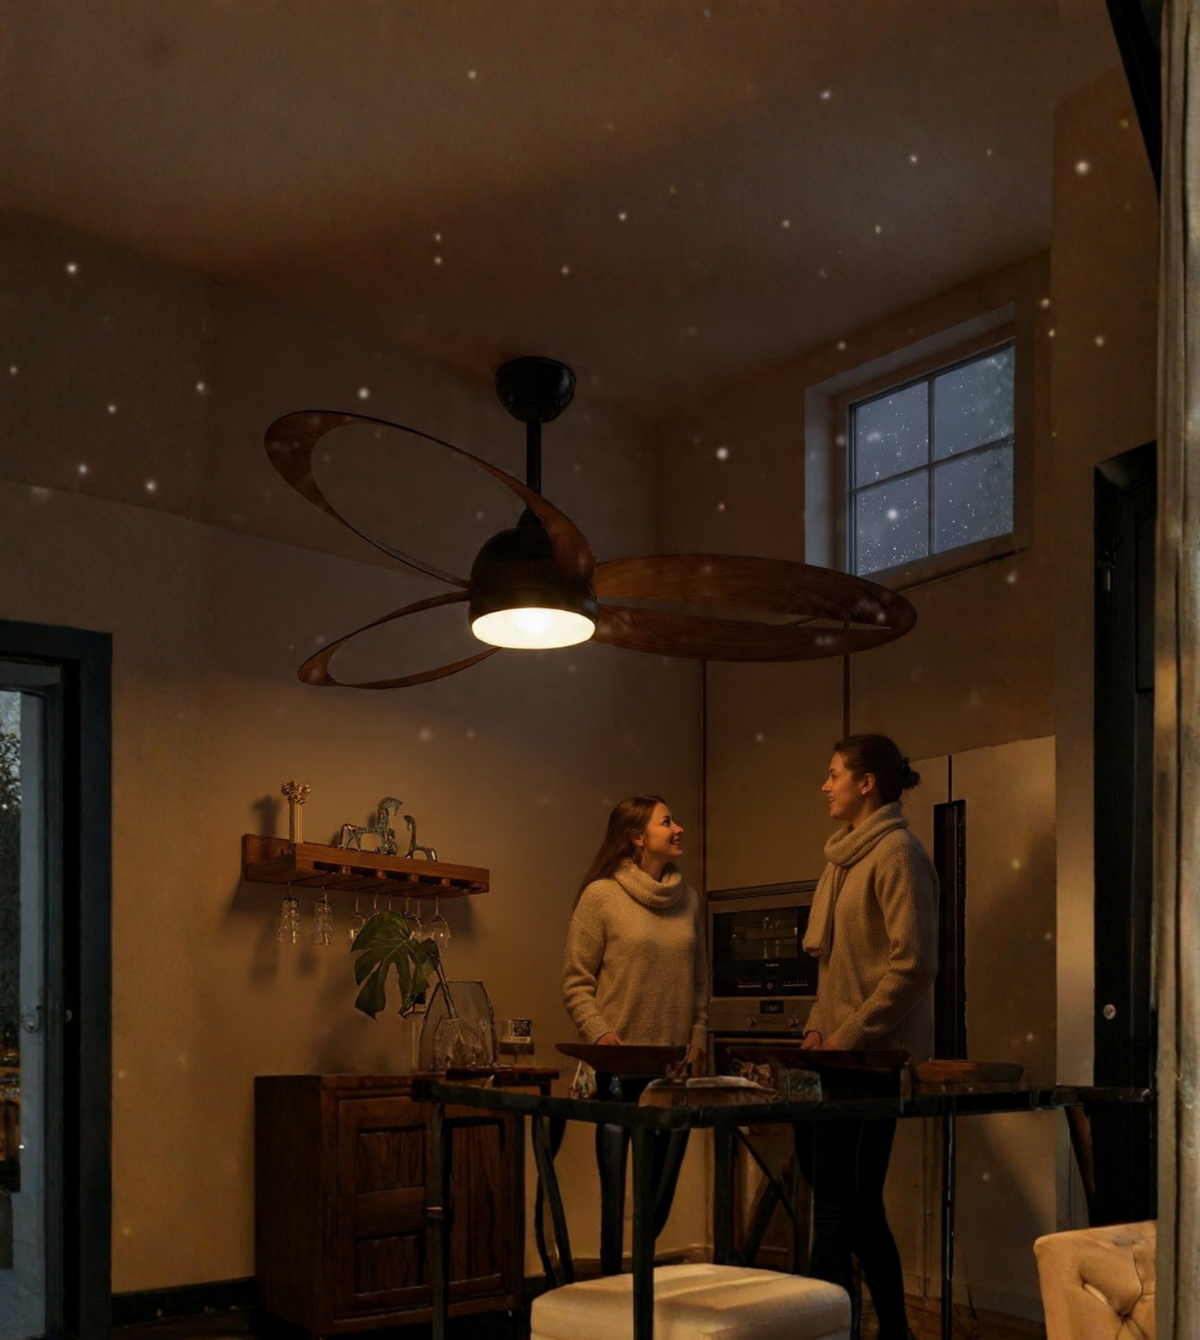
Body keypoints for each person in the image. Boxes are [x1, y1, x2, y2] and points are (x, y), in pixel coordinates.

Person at [799, 734, 938, 1340]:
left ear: (867, 784)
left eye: (834, 775)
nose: (825, 786)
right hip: (836, 1061)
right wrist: (814, 1029)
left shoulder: (898, 854)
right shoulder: (841, 860)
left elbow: (913, 966)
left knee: (842, 1208)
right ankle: (886, 1330)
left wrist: (848, 1036)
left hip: (872, 1062)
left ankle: (846, 1330)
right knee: (840, 1203)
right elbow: (834, 970)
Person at [561, 795, 707, 1272]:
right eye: (668, 822)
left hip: (673, 1070)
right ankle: (609, 1288)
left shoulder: (689, 902)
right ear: (638, 837)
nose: (678, 828)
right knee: (613, 1202)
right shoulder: (601, 896)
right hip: (619, 1071)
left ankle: (643, 1287)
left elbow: (700, 985)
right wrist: (601, 1035)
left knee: (656, 1200)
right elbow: (576, 983)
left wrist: (697, 1040)